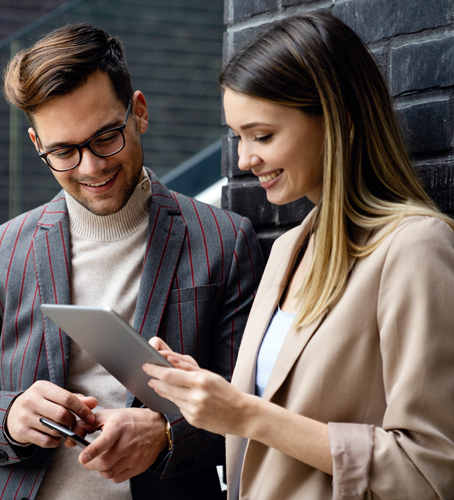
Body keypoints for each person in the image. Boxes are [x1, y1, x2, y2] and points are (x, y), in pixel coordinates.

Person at [0, 24, 264, 500]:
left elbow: (253, 407)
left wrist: (167, 432)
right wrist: (9, 418)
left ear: (139, 113)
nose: (91, 167)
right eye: (64, 151)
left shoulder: (224, 241)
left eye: (106, 136)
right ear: (36, 145)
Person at [143, 11, 454, 499]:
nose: (245, 160)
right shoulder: (289, 249)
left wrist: (245, 414)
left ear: (340, 121)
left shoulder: (416, 248)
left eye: (262, 135)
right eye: (238, 137)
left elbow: (429, 472)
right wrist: (210, 394)